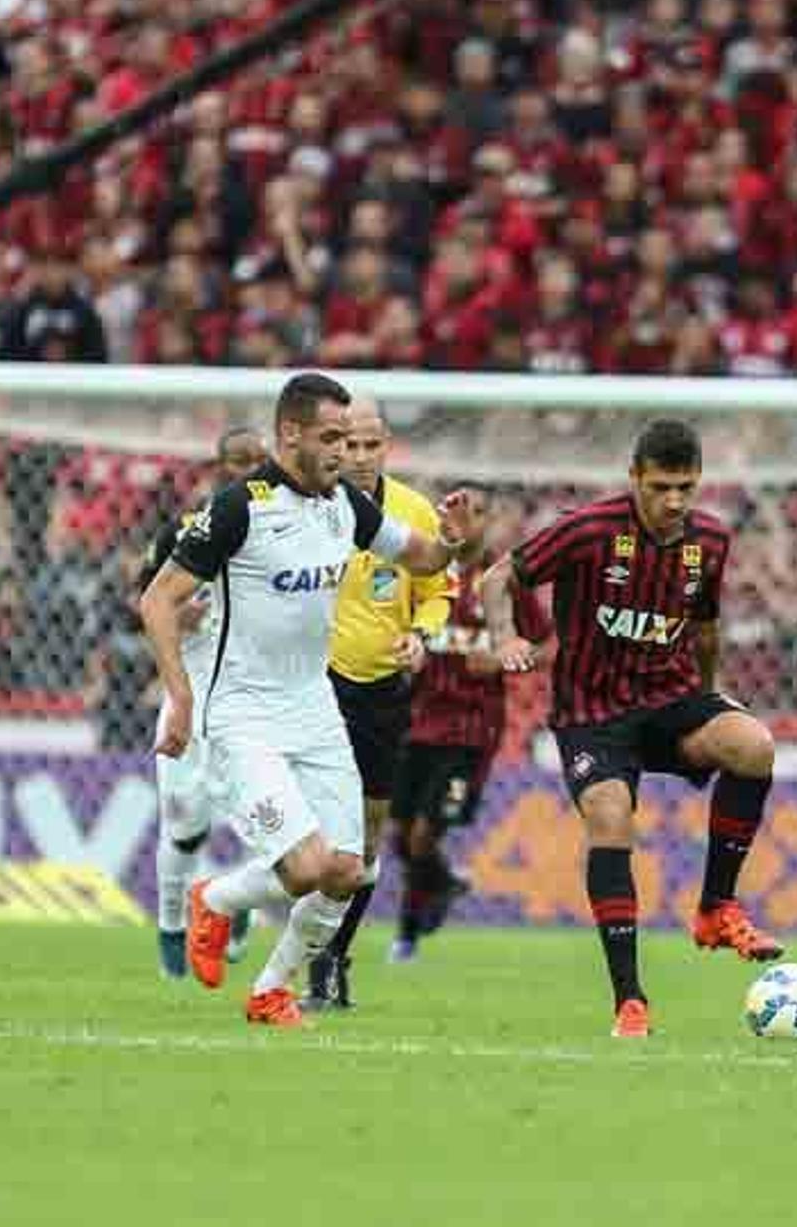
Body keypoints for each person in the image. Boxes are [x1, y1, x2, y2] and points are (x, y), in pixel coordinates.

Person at [138, 372, 481, 1027]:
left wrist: (452, 539)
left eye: (351, 440)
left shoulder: (343, 507)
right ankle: (215, 896)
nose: (344, 454)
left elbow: (424, 557)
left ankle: (271, 988)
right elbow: (158, 598)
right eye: (331, 438)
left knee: (350, 870)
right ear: (290, 433)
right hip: (242, 715)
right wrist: (180, 699)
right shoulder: (240, 506)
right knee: (306, 867)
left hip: (313, 707)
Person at [479, 419, 782, 1039]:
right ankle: (631, 1001)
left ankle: (716, 908)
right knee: (612, 817)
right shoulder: (590, 530)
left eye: (687, 487)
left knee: (754, 745)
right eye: (662, 487)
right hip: (593, 714)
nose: (675, 501)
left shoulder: (711, 541)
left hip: (669, 700)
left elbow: (703, 629)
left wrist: (708, 697)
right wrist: (505, 635)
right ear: (634, 479)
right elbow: (495, 579)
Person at [303, 396, 453, 1012]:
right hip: (310, 685)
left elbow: (439, 594)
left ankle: (332, 957)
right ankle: (283, 943)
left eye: (371, 446)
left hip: (383, 694)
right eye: (348, 444)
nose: (359, 457)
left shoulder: (413, 512)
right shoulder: (305, 506)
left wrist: (423, 635)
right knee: (308, 839)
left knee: (363, 846)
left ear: (386, 446)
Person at [388, 487, 541, 962]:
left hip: (471, 733)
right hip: (415, 723)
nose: (466, 520)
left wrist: (500, 660)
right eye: (456, 510)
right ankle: (444, 883)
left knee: (423, 834)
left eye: (476, 512)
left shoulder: (504, 580)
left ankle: (408, 932)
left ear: (490, 521)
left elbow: (546, 645)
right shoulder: (422, 569)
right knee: (397, 832)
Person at [142, 426, 269, 979]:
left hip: (252, 697)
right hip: (190, 691)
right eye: (235, 461)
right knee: (187, 824)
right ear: (217, 467)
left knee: (264, 820)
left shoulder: (281, 527)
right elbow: (146, 600)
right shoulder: (186, 529)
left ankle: (228, 900)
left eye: (254, 460)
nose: (245, 469)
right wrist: (179, 616)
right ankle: (172, 922)